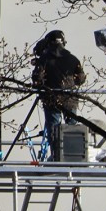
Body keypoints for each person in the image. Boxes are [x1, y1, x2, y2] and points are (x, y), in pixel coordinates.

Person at [32, 30, 86, 161]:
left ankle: (57, 156)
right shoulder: (73, 59)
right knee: (72, 128)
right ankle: (73, 155)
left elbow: (37, 79)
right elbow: (81, 79)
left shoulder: (44, 59)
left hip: (51, 99)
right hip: (70, 99)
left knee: (54, 129)